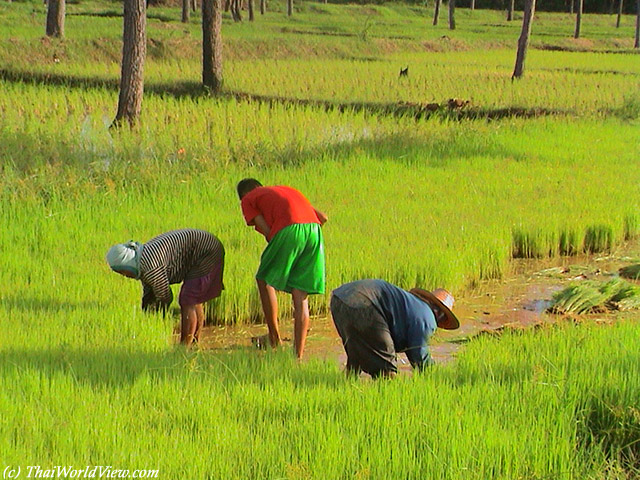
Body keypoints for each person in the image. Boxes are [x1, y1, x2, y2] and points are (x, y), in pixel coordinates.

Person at [237, 178, 328, 360]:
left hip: (289, 229)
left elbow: (269, 232)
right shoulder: (285, 189)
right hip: (314, 231)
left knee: (264, 280)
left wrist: (286, 241)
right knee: (300, 295)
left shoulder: (248, 199)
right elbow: (323, 217)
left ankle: (274, 339)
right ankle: (298, 355)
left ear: (244, 195)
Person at [106, 228, 225, 347]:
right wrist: (146, 312)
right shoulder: (140, 258)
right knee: (192, 298)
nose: (125, 276)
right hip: (203, 248)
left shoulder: (150, 267)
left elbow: (165, 296)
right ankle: (193, 343)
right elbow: (150, 291)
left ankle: (184, 347)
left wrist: (160, 317)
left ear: (127, 263)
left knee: (188, 299)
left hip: (206, 252)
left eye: (123, 272)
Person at [330, 279, 460, 378]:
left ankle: (339, 387)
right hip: (367, 303)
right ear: (440, 314)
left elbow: (410, 347)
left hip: (339, 299)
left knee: (356, 355)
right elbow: (419, 355)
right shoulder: (427, 317)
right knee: (387, 372)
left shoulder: (412, 305)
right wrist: (437, 376)